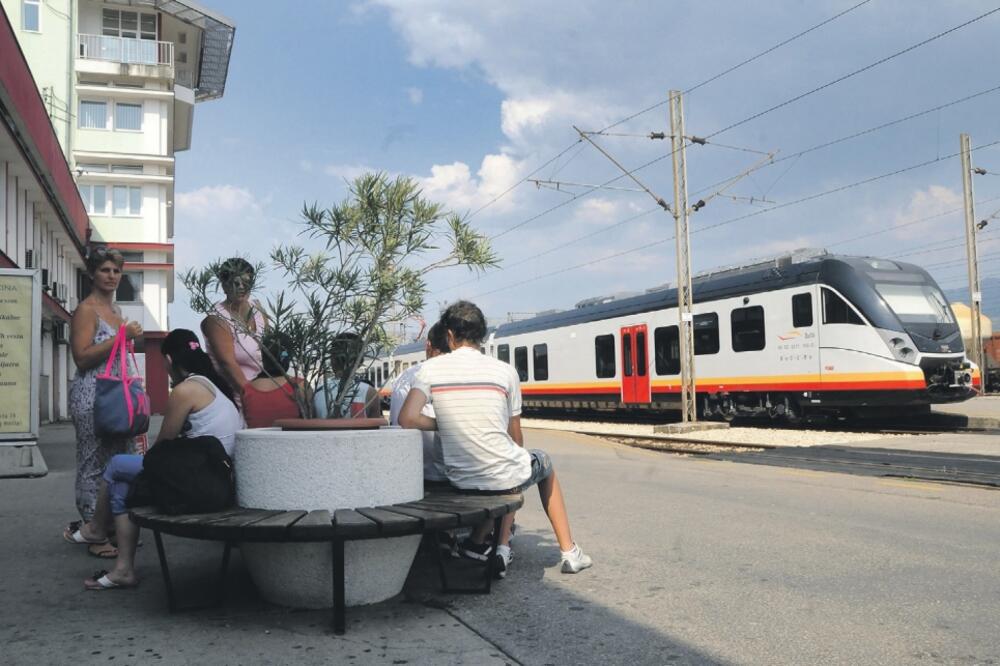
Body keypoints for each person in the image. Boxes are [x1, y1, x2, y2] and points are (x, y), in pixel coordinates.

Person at [399, 301, 592, 578]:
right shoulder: (505, 371)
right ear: (483, 336)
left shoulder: (431, 370)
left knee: (501, 474)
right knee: (540, 463)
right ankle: (570, 552)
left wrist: (445, 423)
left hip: (459, 479)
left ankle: (491, 546)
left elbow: (408, 418)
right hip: (500, 476)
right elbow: (516, 437)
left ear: (450, 336)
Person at [70, 329, 243, 590]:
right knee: (120, 485)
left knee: (116, 465)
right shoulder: (213, 385)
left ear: (170, 361)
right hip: (213, 475)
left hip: (203, 479)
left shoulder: (186, 390)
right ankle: (123, 570)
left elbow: (163, 447)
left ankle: (95, 527)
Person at [64, 246, 143, 557]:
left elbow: (117, 352)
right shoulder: (87, 310)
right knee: (92, 464)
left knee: (121, 460)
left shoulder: (117, 311)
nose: (111, 276)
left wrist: (123, 338)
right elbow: (81, 357)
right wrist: (121, 337)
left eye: (116, 271)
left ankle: (112, 526)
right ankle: (92, 531)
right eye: (105, 270)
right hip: (91, 395)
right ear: (92, 274)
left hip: (116, 394)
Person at [389, 323, 449, 481]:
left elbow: (396, 423)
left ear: (428, 344)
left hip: (410, 473)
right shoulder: (461, 375)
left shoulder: (404, 377)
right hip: (451, 475)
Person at [201, 258, 265, 404]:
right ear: (224, 286)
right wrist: (256, 400)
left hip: (264, 390)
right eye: (235, 283)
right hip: (239, 399)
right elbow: (227, 364)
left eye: (246, 282)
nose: (241, 287)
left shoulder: (258, 308)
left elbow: (272, 351)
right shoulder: (217, 319)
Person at [242, 331, 305, 428]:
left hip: (256, 442)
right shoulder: (300, 385)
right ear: (288, 357)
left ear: (263, 355)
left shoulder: (246, 389)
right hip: (292, 442)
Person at [312, 332, 381, 419]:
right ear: (359, 362)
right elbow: (376, 427)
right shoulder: (369, 392)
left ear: (332, 360)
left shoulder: (317, 392)